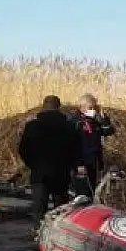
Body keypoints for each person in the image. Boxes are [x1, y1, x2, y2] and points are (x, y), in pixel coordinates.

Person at [17, 95, 81, 234]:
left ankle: (38, 234)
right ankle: (60, 236)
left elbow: (23, 149)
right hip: (61, 173)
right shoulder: (69, 126)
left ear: (43, 106)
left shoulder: (32, 126)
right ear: (59, 107)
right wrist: (70, 166)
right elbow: (76, 150)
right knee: (61, 209)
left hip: (40, 173)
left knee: (39, 209)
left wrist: (33, 164)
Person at [70, 93, 115, 193]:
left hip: (94, 161)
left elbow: (108, 131)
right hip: (82, 162)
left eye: (94, 107)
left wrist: (104, 120)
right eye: (91, 107)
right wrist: (78, 164)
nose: (93, 110)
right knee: (82, 192)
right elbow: (74, 145)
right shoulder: (75, 122)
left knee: (92, 190)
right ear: (82, 107)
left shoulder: (94, 121)